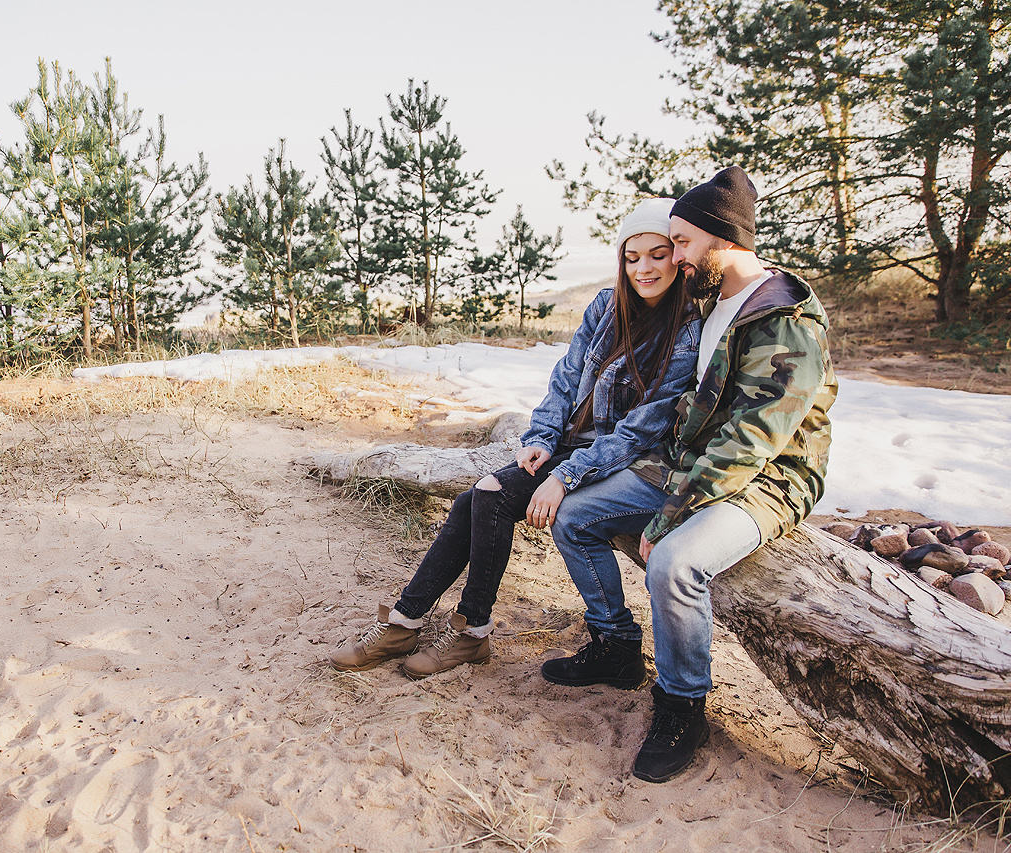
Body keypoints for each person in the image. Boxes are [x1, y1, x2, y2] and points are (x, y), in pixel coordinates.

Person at [542, 166, 837, 784]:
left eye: (681, 242)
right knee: (574, 517)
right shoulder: (712, 302)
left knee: (673, 562)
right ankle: (617, 647)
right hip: (687, 460)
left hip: (768, 478)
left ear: (722, 238)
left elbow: (752, 440)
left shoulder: (783, 320)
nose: (673, 256)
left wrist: (673, 512)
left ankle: (682, 707)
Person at [329, 198, 702, 679]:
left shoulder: (687, 329)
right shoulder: (607, 307)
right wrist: (544, 435)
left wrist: (565, 476)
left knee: (487, 497)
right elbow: (567, 378)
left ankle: (464, 631)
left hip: (623, 462)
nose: (643, 269)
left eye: (657, 254)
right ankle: (412, 624)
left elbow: (641, 431)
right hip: (572, 445)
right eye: (632, 258)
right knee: (475, 498)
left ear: (677, 254)